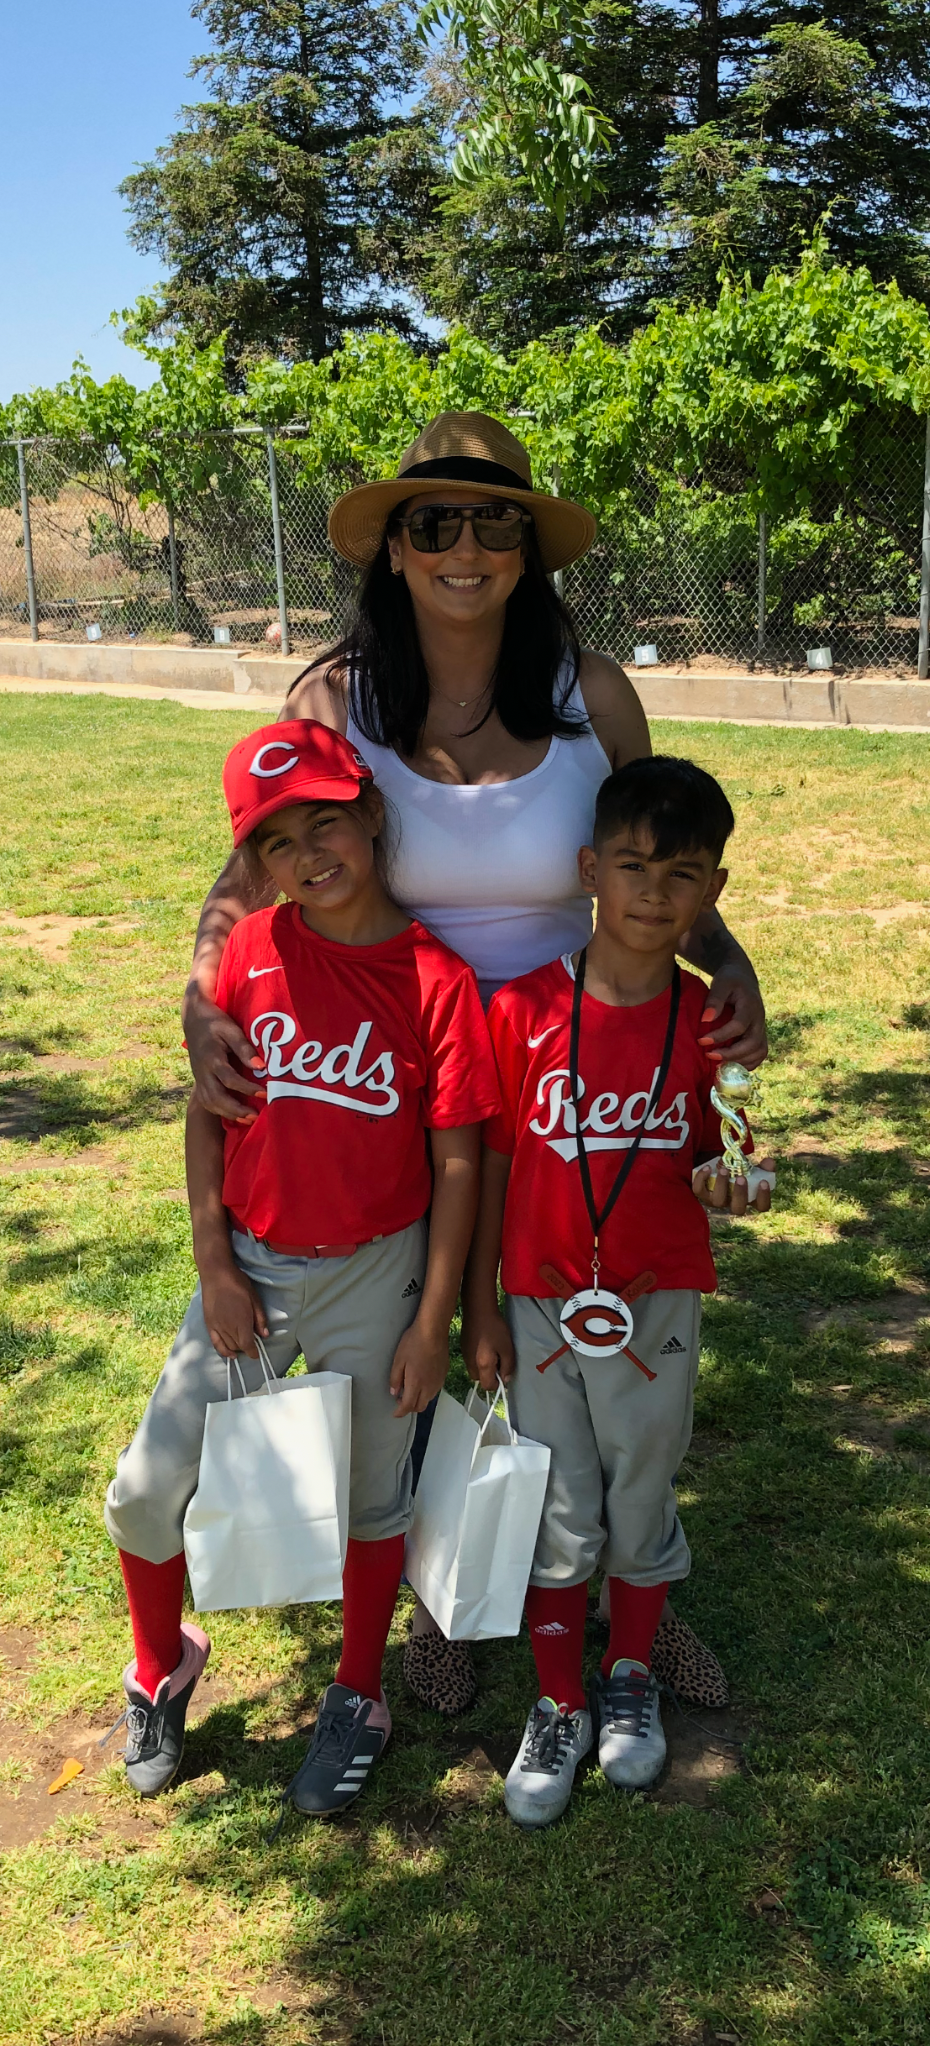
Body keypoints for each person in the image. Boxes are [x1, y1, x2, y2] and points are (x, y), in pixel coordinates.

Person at [181, 410, 768, 1715]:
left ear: (527, 547)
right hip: (390, 1065)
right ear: (393, 547)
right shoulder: (335, 697)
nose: (464, 545)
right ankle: (442, 1598)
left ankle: (631, 1602)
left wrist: (728, 961)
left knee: (587, 1327)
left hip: (572, 1068)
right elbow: (246, 872)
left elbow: (655, 847)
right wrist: (200, 995)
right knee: (422, 1334)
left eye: (493, 518)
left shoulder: (590, 692)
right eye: (433, 520)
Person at [103, 721, 499, 1806]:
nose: (309, 853)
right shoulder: (249, 952)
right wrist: (215, 1265)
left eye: (326, 821)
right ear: (255, 862)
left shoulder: (434, 977)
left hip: (381, 1270)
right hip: (254, 1265)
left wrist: (432, 1322)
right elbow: (207, 1113)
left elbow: (458, 1160)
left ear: (369, 813)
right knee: (148, 1489)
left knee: (373, 1494)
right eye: (278, 841)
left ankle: (358, 1690)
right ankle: (160, 1661)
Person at [462, 757, 776, 1828]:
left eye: (681, 874)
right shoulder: (524, 1011)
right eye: (632, 866)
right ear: (590, 869)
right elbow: (494, 1163)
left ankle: (630, 1673)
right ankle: (558, 1700)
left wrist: (731, 1183)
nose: (653, 892)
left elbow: (725, 1149)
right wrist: (480, 1303)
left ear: (711, 892)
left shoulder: (709, 1022)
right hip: (540, 1301)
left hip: (656, 1300)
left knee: (640, 1486)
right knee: (558, 1496)